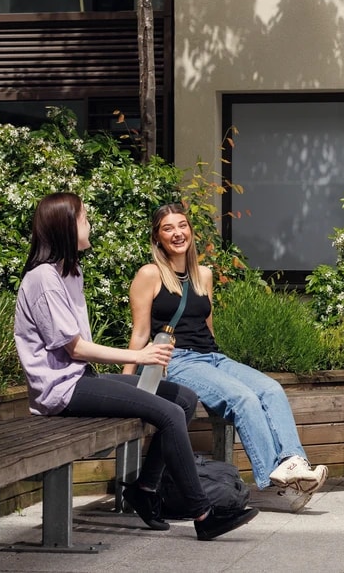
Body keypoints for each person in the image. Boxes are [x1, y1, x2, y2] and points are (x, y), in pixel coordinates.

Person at [13, 192, 258, 540]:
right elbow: (76, 348)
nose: (89, 224)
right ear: (67, 226)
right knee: (170, 413)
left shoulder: (69, 273)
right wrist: (140, 357)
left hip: (81, 380)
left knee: (183, 398)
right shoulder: (43, 279)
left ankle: (144, 489)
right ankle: (203, 515)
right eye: (84, 218)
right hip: (61, 391)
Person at [124, 203, 328, 511]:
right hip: (176, 360)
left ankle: (293, 464)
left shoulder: (202, 275)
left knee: (270, 388)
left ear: (190, 230)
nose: (177, 233)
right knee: (242, 398)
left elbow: (208, 328)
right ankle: (280, 484)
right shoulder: (149, 274)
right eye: (168, 228)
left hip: (212, 357)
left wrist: (223, 364)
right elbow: (140, 334)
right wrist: (126, 383)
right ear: (158, 237)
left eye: (182, 226)